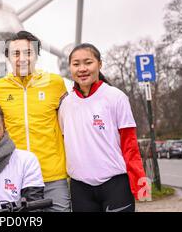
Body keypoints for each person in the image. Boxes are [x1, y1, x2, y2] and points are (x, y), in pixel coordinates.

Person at [58, 43, 149, 212]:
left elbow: (130, 146)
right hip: (80, 187)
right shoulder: (65, 105)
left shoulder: (116, 97)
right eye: (76, 64)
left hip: (116, 184)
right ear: (70, 68)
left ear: (99, 64)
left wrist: (140, 183)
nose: (82, 69)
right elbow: (65, 141)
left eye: (88, 62)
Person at [0, 31, 70, 211]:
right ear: (8, 58)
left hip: (52, 175)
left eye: (28, 52)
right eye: (16, 53)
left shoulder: (55, 83)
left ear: (37, 55)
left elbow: (70, 126)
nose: (22, 58)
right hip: (14, 176)